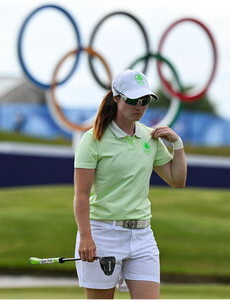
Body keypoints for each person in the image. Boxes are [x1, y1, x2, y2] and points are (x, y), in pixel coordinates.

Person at [73, 69, 187, 299]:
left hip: (142, 235)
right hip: (103, 233)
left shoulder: (150, 137)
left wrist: (178, 144)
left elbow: (177, 181)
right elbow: (81, 195)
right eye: (134, 100)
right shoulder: (93, 139)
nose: (140, 106)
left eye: (145, 101)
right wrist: (86, 236)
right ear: (116, 98)